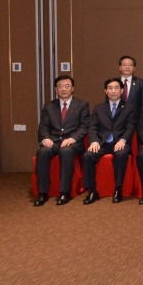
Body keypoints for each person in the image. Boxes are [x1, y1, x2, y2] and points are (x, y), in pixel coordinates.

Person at [34, 75, 90, 206]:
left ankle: (65, 192)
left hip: (73, 143)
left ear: (72, 88)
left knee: (66, 151)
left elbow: (84, 126)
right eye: (60, 86)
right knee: (43, 152)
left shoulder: (82, 105)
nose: (63, 89)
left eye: (67, 86)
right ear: (56, 89)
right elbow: (43, 126)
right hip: (53, 141)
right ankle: (42, 193)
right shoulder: (49, 106)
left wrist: (72, 138)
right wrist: (45, 138)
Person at [82, 78, 135, 204]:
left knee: (121, 155)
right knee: (88, 156)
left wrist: (123, 140)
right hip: (103, 143)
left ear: (121, 90)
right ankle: (92, 191)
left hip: (120, 142)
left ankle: (118, 190)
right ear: (106, 91)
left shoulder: (129, 107)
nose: (113, 91)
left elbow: (130, 127)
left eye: (116, 88)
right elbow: (93, 127)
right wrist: (94, 141)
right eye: (110, 88)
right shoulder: (99, 108)